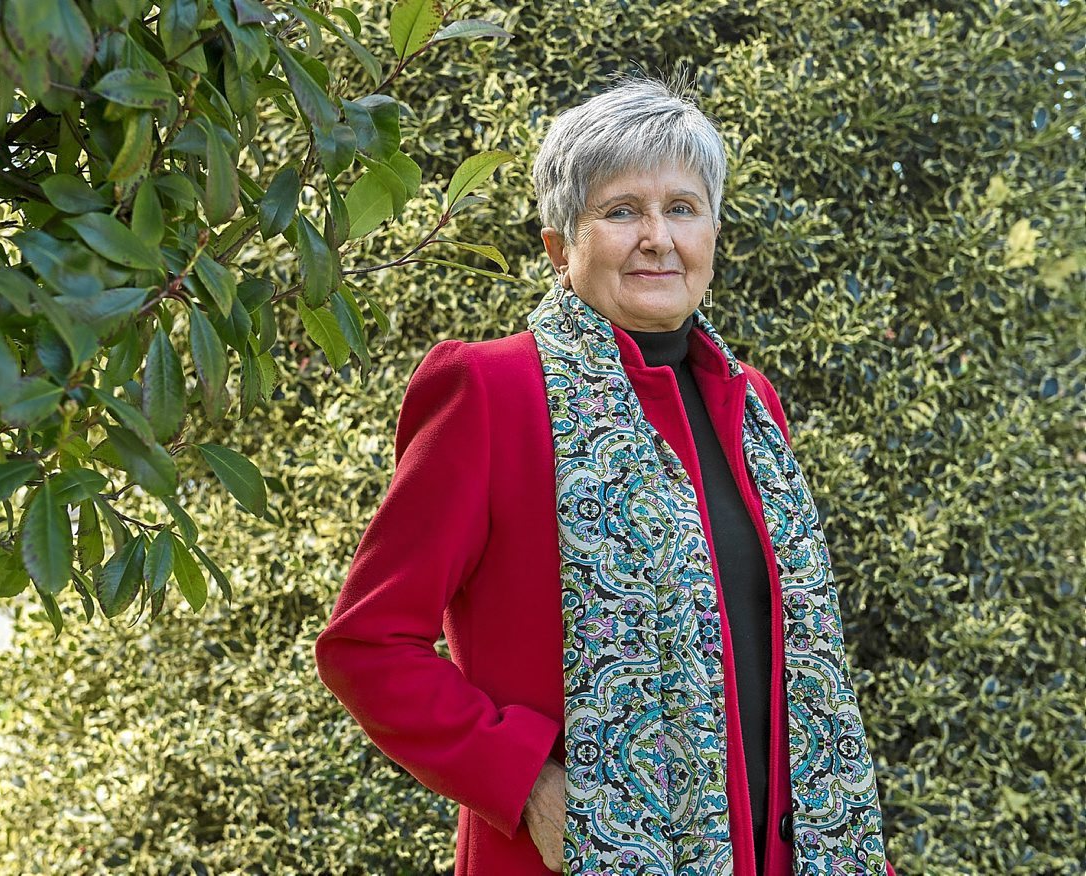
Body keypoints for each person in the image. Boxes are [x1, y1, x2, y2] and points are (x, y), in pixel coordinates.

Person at [315, 73, 898, 876]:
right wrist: (527, 783)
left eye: (682, 208)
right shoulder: (491, 392)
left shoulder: (750, 405)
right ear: (560, 249)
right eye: (622, 211)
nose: (658, 237)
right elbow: (367, 644)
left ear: (713, 232)